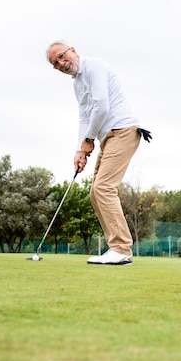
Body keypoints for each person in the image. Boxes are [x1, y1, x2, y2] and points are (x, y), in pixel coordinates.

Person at [46, 40, 151, 265]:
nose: (62, 63)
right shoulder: (77, 84)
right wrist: (79, 150)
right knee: (95, 192)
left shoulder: (94, 66)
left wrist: (88, 140)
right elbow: (85, 117)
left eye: (63, 56)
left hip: (124, 131)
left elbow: (102, 106)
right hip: (108, 137)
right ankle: (116, 247)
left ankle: (121, 248)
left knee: (104, 188)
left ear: (73, 50)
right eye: (56, 63)